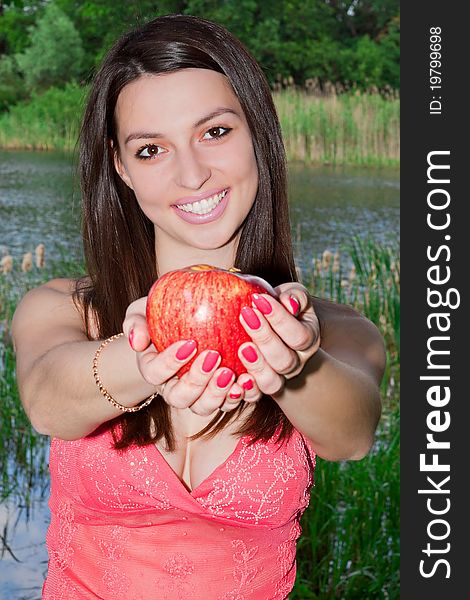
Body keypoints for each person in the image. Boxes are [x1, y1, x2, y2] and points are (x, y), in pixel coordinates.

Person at [11, 14, 385, 600]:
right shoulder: (63, 309)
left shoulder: (322, 328)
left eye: (214, 133)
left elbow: (352, 434)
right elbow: (48, 402)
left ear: (257, 133)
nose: (192, 173)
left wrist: (288, 363)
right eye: (152, 148)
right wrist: (143, 359)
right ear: (119, 164)